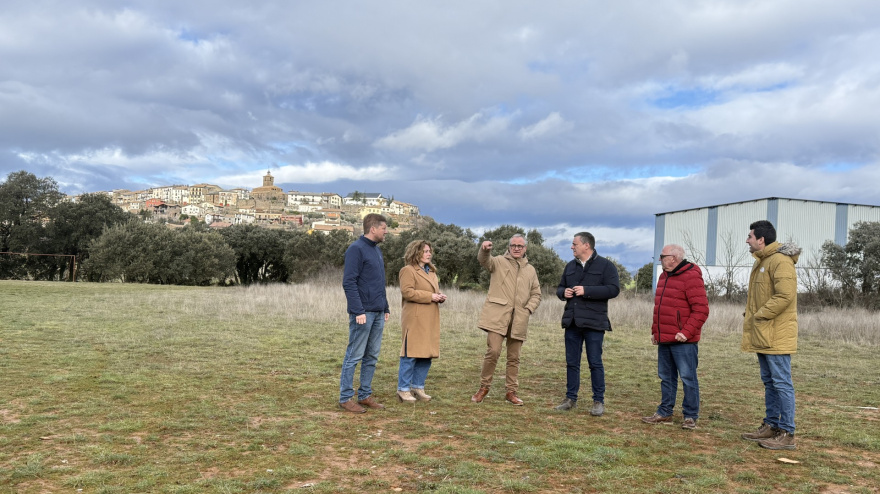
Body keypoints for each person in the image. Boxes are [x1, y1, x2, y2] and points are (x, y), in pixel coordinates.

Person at [740, 220, 800, 450]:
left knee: (782, 383)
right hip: (765, 332)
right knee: (770, 381)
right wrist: (754, 313)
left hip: (776, 334)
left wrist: (760, 315)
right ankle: (772, 425)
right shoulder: (763, 261)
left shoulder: (780, 261)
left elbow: (785, 295)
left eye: (750, 236)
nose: (748, 240)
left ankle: (788, 434)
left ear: (761, 239)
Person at [641, 244, 709, 430]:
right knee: (666, 377)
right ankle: (665, 412)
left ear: (674, 258)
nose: (660, 258)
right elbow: (660, 308)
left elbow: (701, 309)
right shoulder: (663, 276)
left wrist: (686, 333)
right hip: (665, 338)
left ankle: (690, 416)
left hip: (683, 341)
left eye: (663, 255)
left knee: (688, 377)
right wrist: (655, 331)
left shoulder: (691, 276)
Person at [471, 234, 542, 406]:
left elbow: (537, 294)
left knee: (514, 357)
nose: (516, 248)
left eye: (520, 246)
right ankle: (484, 387)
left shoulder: (530, 270)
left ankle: (511, 392)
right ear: (509, 247)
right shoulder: (498, 261)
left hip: (519, 319)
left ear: (525, 248)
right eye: (513, 245)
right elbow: (483, 260)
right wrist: (484, 249)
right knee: (493, 352)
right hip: (497, 316)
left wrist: (528, 309)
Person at [554, 232, 620, 416]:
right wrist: (563, 293)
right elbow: (560, 287)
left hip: (594, 323)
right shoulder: (570, 266)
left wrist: (587, 290)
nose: (571, 247)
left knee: (595, 362)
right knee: (572, 362)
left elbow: (614, 290)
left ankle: (598, 401)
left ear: (586, 245)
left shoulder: (606, 266)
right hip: (572, 322)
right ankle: (570, 399)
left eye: (574, 244)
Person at [338, 213, 391, 413]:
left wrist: (385, 307)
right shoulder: (356, 249)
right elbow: (349, 282)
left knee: (372, 356)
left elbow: (379, 283)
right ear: (373, 229)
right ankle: (345, 398)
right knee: (354, 355)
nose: (387, 232)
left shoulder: (377, 251)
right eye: (384, 228)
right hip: (363, 314)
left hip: (377, 312)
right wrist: (358, 310)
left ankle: (365, 395)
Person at [397, 240, 447, 402]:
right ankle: (403, 389)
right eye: (425, 251)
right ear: (416, 252)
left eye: (429, 251)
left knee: (426, 354)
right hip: (415, 318)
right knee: (410, 354)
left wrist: (439, 297)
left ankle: (418, 387)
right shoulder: (408, 270)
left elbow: (431, 292)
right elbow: (407, 292)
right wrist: (430, 296)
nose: (429, 253)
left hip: (430, 317)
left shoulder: (431, 272)